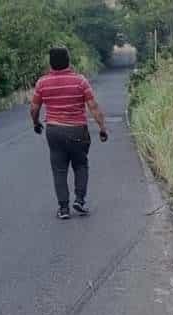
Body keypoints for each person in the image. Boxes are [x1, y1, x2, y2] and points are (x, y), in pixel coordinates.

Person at [30, 46, 109, 220]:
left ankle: (63, 209)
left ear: (51, 63)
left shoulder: (42, 82)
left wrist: (35, 123)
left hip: (54, 131)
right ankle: (79, 200)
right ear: (68, 61)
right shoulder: (80, 81)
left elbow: (34, 108)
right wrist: (102, 128)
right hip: (78, 130)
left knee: (59, 170)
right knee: (80, 165)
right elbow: (93, 107)